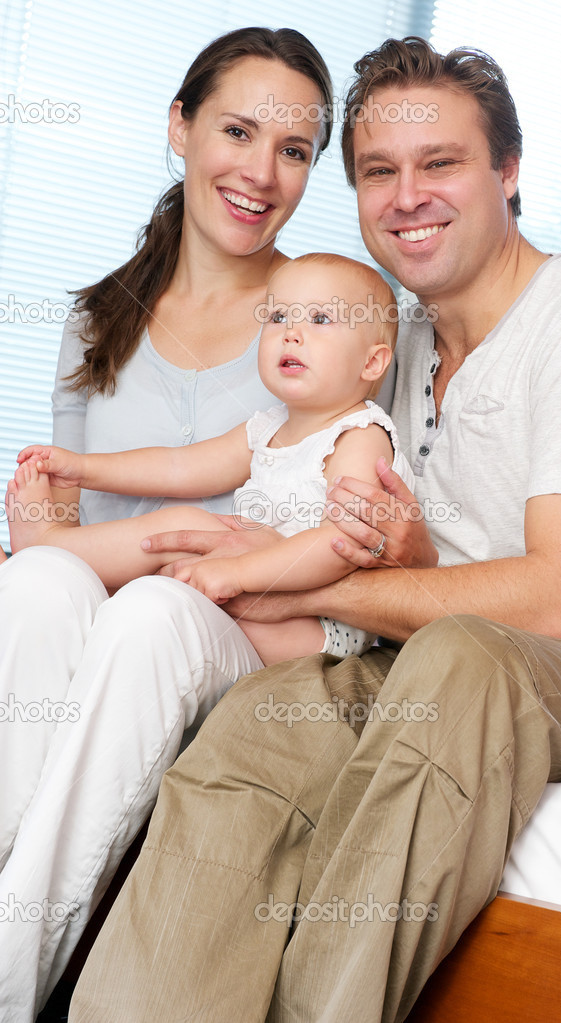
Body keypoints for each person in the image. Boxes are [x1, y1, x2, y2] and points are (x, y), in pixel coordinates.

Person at [69, 36, 561, 1023]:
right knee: (254, 733)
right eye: (377, 172)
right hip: (427, 657)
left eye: (440, 163)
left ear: (509, 173)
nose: (407, 196)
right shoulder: (383, 344)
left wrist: (298, 583)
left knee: (462, 665)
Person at [0, 26, 334, 1022]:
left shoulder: (328, 315)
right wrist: (165, 529)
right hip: (100, 622)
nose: (263, 173)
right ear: (181, 128)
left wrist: (111, 548)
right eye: (238, 131)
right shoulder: (96, 318)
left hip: (235, 639)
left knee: (141, 608)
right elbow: (42, 537)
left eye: (296, 151)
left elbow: (329, 533)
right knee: (38, 586)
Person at [8, 253, 414, 665]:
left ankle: (55, 552)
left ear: (372, 361)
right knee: (183, 527)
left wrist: (238, 572)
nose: (291, 334)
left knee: (162, 600)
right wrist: (83, 469)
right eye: (277, 317)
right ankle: (54, 547)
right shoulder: (268, 426)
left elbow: (338, 543)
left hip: (318, 629)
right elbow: (179, 467)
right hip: (258, 589)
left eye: (320, 320)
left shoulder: (361, 436)